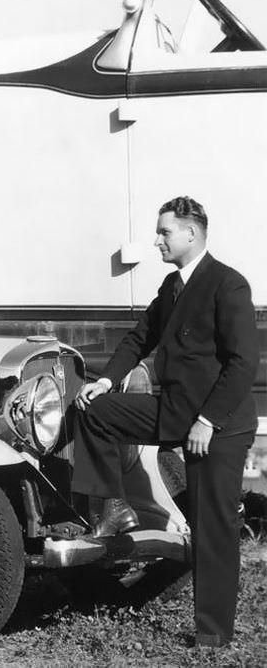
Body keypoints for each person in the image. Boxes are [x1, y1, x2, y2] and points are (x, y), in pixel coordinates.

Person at [72, 196, 258, 648]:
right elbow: (141, 336)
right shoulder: (172, 287)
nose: (156, 241)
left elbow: (243, 362)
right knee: (94, 412)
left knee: (211, 527)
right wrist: (107, 380)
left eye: (164, 232)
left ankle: (213, 635)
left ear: (191, 234)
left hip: (220, 424)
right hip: (174, 410)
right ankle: (115, 506)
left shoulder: (227, 285)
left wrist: (208, 422)